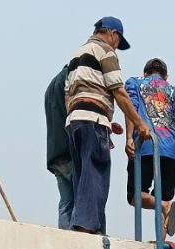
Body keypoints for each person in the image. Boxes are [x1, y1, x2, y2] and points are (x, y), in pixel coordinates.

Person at [64, 17, 153, 234]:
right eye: (118, 41)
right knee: (96, 171)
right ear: (112, 33)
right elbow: (119, 91)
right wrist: (139, 123)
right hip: (92, 120)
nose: (117, 47)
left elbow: (68, 95)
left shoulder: (77, 54)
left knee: (82, 175)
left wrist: (104, 118)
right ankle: (87, 228)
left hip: (75, 120)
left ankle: (91, 227)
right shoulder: (105, 51)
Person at [124, 58, 175, 237]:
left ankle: (162, 206)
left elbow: (131, 108)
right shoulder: (173, 90)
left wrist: (128, 137)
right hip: (170, 149)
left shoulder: (135, 83)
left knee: (135, 196)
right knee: (165, 199)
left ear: (145, 73)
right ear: (166, 76)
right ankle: (161, 244)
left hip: (146, 145)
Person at [45, 64, 76, 230]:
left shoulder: (51, 85)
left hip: (54, 152)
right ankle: (79, 238)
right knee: (83, 194)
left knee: (65, 202)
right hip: (67, 149)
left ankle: (65, 237)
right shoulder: (68, 80)